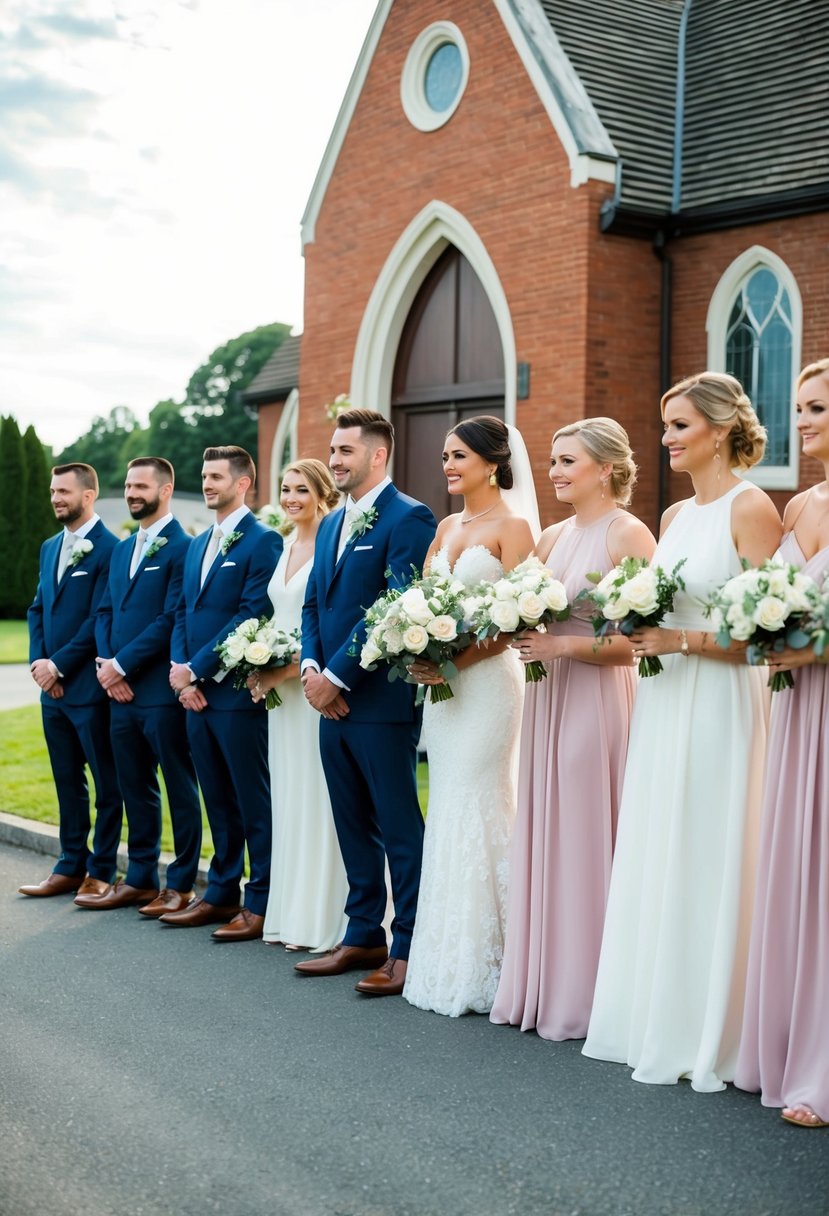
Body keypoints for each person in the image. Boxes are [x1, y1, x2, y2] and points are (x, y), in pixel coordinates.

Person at [583, 371, 782, 1091]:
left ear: (721, 428)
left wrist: (685, 642)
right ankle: (654, 1014)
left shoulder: (752, 506)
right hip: (663, 703)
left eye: (678, 426)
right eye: (664, 425)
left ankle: (712, 1030)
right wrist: (638, 626)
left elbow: (776, 632)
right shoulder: (670, 519)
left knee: (709, 847)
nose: (664, 438)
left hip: (719, 698)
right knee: (661, 845)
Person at [491, 418, 656, 1040]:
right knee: (548, 830)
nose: (555, 472)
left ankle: (593, 993)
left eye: (568, 462)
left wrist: (560, 648)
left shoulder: (628, 533)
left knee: (588, 834)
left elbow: (637, 644)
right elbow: (511, 609)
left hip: (596, 699)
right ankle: (544, 982)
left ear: (606, 469)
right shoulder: (553, 537)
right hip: (547, 702)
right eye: (554, 461)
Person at [296, 408, 436, 996]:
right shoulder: (329, 525)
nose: (334, 460)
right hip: (328, 702)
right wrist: (309, 668)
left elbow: (396, 608)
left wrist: (338, 676)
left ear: (377, 456)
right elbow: (312, 605)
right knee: (352, 824)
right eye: (332, 450)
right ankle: (362, 935)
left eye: (345, 452)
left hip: (378, 702)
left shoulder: (410, 517)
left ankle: (407, 946)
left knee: (398, 828)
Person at [403, 416, 535, 1017]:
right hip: (444, 691)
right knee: (450, 802)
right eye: (445, 456)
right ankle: (446, 955)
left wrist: (456, 657)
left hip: (487, 689)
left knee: (482, 800)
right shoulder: (446, 525)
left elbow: (521, 618)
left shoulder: (514, 527)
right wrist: (417, 655)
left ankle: (503, 958)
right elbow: (416, 606)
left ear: (492, 461)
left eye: (459, 456)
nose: (449, 466)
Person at [735, 357, 829, 1128]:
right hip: (798, 708)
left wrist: (818, 648)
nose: (801, 420)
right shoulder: (797, 506)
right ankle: (786, 1045)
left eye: (817, 408)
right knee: (798, 872)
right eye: (799, 407)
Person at [163, 445, 282, 940]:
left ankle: (262, 901)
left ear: (242, 483)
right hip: (194, 695)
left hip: (234, 693)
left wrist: (198, 669)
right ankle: (220, 893)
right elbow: (181, 612)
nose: (207, 484)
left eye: (216, 477)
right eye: (204, 475)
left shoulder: (263, 541)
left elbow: (253, 613)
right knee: (216, 796)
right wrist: (180, 671)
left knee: (252, 799)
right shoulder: (195, 544)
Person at [74, 457, 202, 914]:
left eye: (141, 485)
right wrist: (108, 665)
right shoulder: (123, 547)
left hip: (157, 692)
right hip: (119, 694)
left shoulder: (183, 547)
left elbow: (171, 617)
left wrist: (123, 666)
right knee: (134, 786)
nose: (131, 493)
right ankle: (143, 876)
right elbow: (105, 610)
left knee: (179, 787)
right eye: (128, 485)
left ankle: (183, 883)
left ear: (165, 490)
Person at [247, 458, 349, 952]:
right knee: (287, 795)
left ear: (322, 493)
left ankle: (324, 917)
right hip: (280, 699)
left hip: (310, 687)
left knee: (320, 797)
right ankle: (290, 914)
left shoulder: (332, 543)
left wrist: (288, 668)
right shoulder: (284, 544)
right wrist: (256, 656)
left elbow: (326, 620)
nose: (290, 498)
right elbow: (280, 614)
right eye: (285, 489)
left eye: (301, 489)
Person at [20, 463, 122, 898]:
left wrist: (59, 666)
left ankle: (101, 870)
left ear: (88, 495)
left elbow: (100, 618)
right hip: (53, 691)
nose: (55, 498)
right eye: (52, 491)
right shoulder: (49, 547)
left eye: (63, 491)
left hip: (88, 688)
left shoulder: (111, 549)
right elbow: (37, 609)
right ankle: (68, 864)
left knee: (105, 783)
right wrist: (40, 664)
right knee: (66, 779)